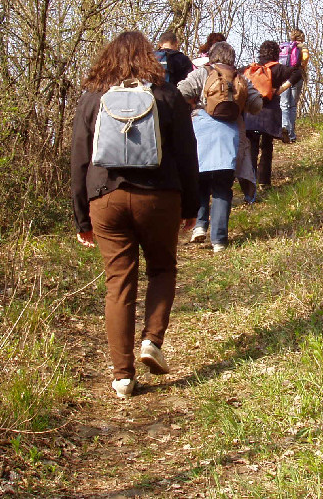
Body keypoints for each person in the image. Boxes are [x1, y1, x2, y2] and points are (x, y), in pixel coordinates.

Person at [70, 31, 200, 399]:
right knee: (161, 268)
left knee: (118, 283)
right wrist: (191, 206)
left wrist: (83, 217)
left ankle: (122, 376)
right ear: (149, 58)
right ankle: (152, 342)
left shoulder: (93, 99)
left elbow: (79, 160)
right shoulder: (166, 96)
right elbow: (188, 155)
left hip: (105, 199)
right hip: (159, 198)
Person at [177, 41, 263, 252]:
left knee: (201, 182)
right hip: (229, 135)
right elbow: (257, 105)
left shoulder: (203, 74)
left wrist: (194, 104)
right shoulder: (240, 78)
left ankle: (199, 225)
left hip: (201, 132)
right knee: (223, 187)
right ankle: (219, 241)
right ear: (232, 59)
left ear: (212, 57)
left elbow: (179, 93)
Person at [242, 41, 304, 191]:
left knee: (251, 147)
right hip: (269, 114)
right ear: (276, 53)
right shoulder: (278, 69)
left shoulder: (250, 69)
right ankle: (264, 182)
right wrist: (281, 89)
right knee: (267, 147)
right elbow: (297, 73)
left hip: (250, 113)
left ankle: (250, 183)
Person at [278, 29, 308, 143]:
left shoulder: (285, 46)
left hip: (284, 75)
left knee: (284, 104)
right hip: (297, 76)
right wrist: (301, 66)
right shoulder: (302, 46)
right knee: (293, 105)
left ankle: (284, 127)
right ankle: (291, 134)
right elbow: (305, 57)